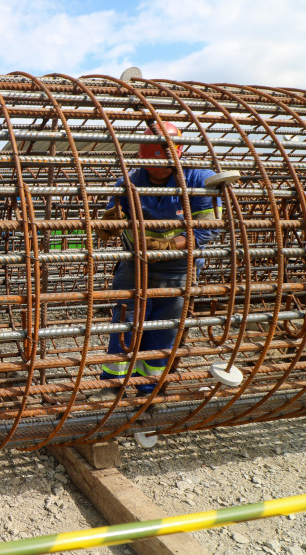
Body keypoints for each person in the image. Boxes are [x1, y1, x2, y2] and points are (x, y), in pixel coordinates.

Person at [91, 122, 222, 400]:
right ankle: (111, 387)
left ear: (178, 153)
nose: (158, 169)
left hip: (178, 271)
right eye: (152, 164)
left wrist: (168, 246)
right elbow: (112, 219)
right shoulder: (130, 181)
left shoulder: (198, 179)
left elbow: (207, 228)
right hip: (135, 267)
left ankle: (148, 390)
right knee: (125, 327)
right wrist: (108, 225)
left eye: (163, 163)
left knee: (163, 332)